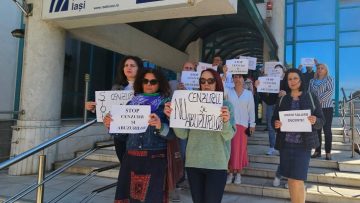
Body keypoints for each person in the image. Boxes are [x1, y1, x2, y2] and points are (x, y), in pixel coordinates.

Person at [164, 68, 235, 203]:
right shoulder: (190, 104)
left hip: (217, 164)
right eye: (202, 81)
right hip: (194, 163)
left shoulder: (226, 106)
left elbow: (229, 135)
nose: (206, 84)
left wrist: (225, 121)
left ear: (217, 83)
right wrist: (173, 117)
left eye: (210, 81)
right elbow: (182, 134)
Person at [104, 68, 174, 202]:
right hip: (131, 158)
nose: (149, 84)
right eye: (145, 81)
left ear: (160, 84)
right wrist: (111, 125)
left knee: (151, 199)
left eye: (153, 81)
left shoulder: (167, 105)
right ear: (140, 83)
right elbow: (123, 136)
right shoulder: (131, 103)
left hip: (155, 158)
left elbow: (173, 135)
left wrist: (160, 126)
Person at [272, 68, 325, 203]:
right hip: (286, 145)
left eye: (295, 78)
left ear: (300, 80)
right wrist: (276, 124)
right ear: (287, 82)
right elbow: (274, 119)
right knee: (290, 179)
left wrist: (315, 121)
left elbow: (321, 120)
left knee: (298, 179)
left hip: (303, 145)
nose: (292, 81)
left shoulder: (311, 96)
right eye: (289, 79)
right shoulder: (283, 99)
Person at [85, 55, 143, 164]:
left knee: (137, 166)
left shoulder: (145, 87)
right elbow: (109, 108)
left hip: (138, 135)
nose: (128, 68)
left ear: (139, 68)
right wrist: (94, 107)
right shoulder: (117, 88)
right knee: (124, 164)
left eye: (132, 65)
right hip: (119, 134)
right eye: (126, 65)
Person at [225, 73, 255, 185]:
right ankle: (230, 173)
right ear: (232, 79)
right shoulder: (228, 91)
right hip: (230, 125)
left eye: (240, 76)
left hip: (243, 127)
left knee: (241, 151)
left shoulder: (248, 94)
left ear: (244, 79)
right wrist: (224, 74)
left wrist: (252, 124)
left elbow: (251, 110)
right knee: (231, 151)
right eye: (235, 77)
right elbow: (221, 91)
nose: (237, 79)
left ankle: (238, 174)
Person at [308, 63, 335, 160]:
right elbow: (309, 93)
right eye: (318, 68)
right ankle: (317, 151)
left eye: (322, 68)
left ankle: (328, 152)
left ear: (326, 70)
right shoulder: (312, 81)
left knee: (327, 130)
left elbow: (330, 91)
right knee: (316, 130)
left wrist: (318, 100)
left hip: (327, 108)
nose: (319, 69)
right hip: (315, 109)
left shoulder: (330, 79)